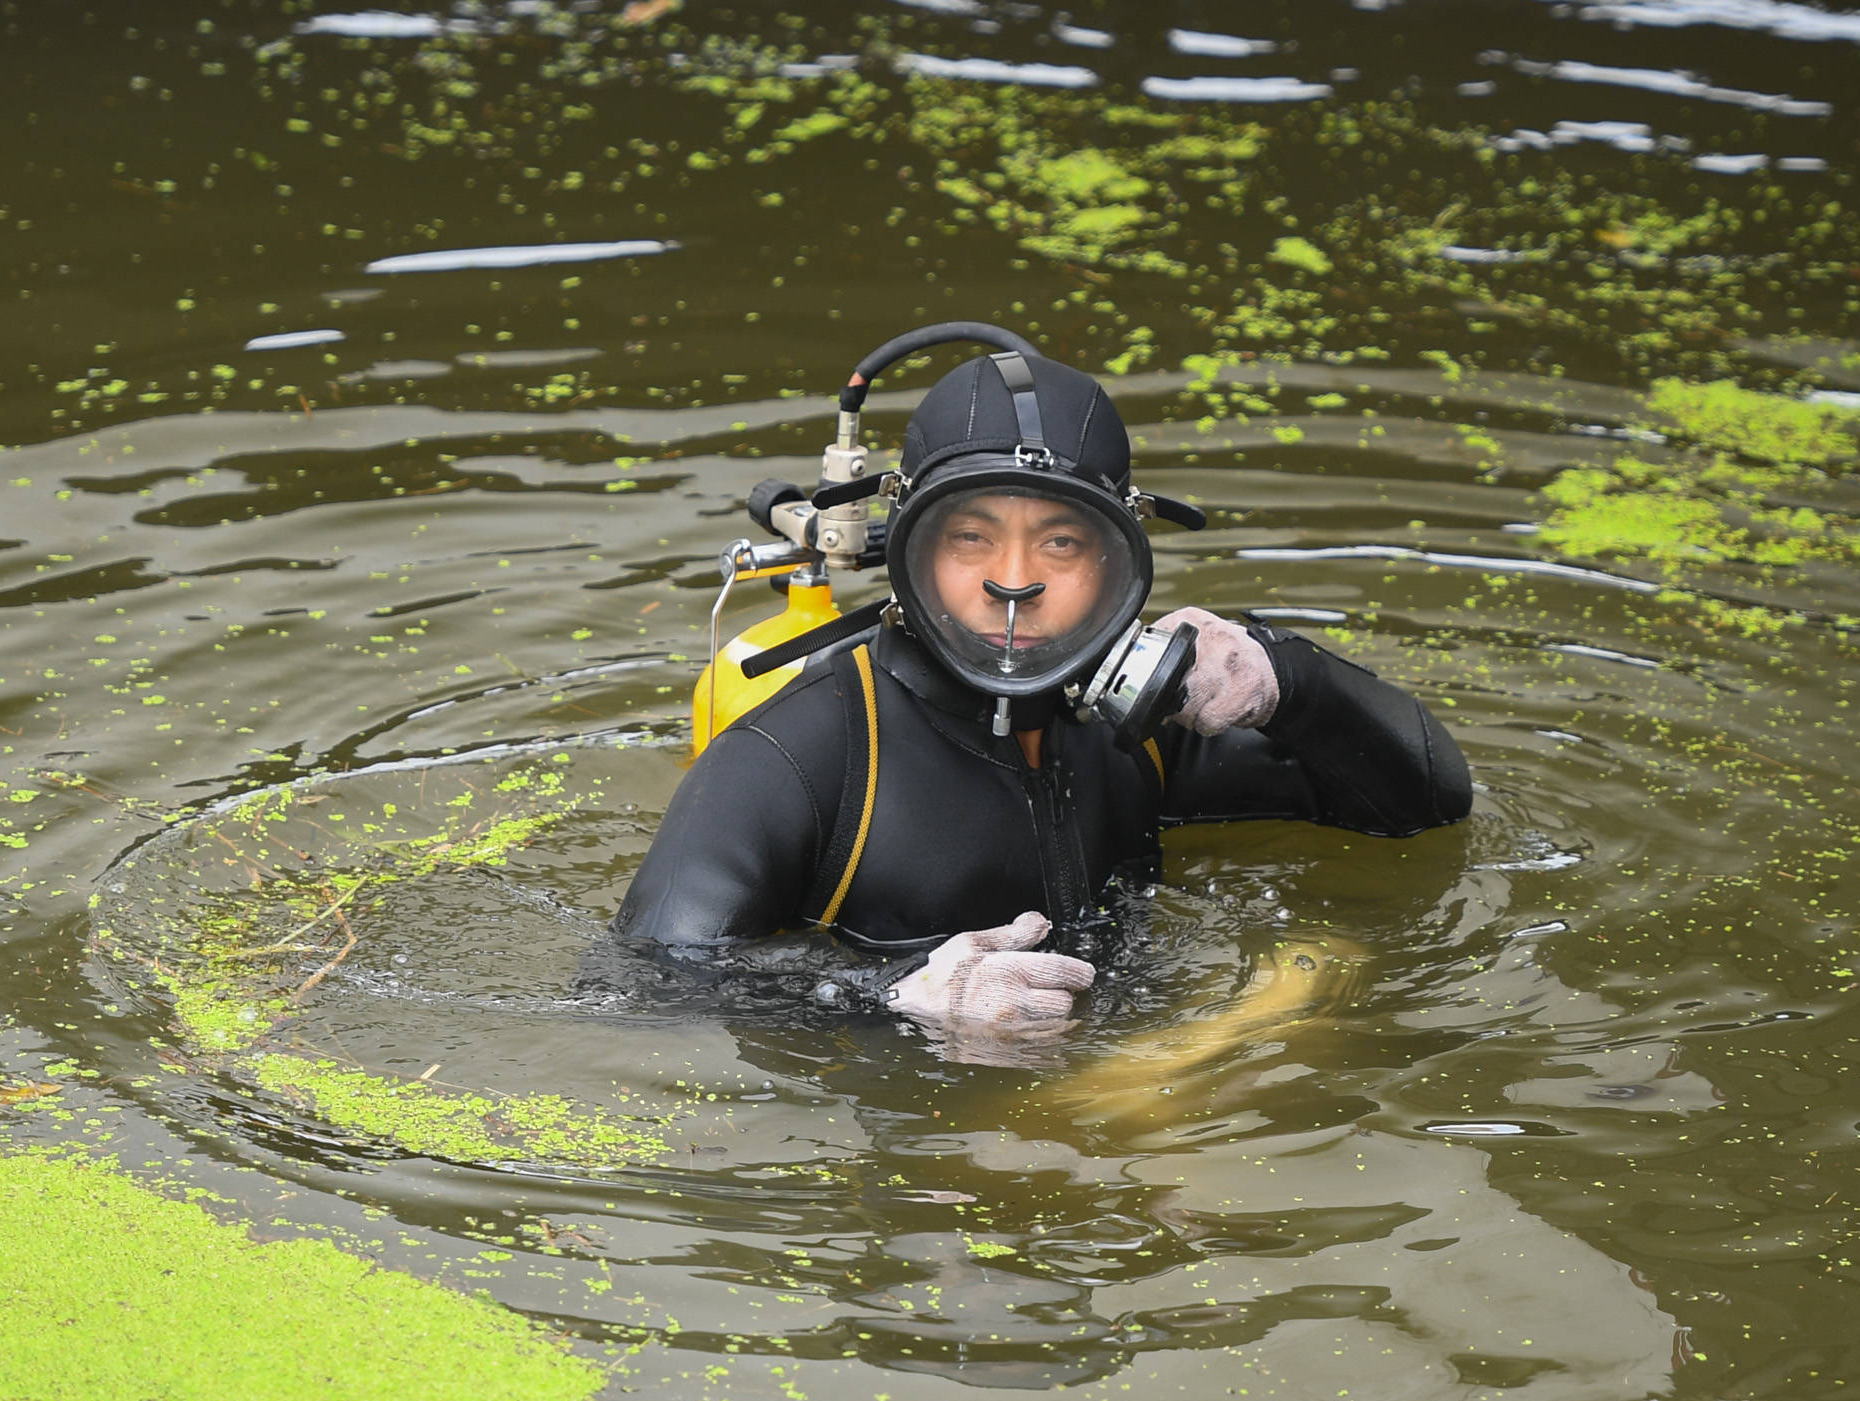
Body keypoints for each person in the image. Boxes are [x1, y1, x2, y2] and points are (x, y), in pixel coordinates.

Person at [615, 340, 1473, 1039]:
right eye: (968, 537)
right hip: (906, 1163)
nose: (1013, 581)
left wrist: (1288, 677)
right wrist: (892, 995)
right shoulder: (798, 758)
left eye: (1061, 542)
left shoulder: (1130, 725)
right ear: (907, 551)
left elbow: (1422, 808)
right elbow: (640, 991)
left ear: (1115, 562)